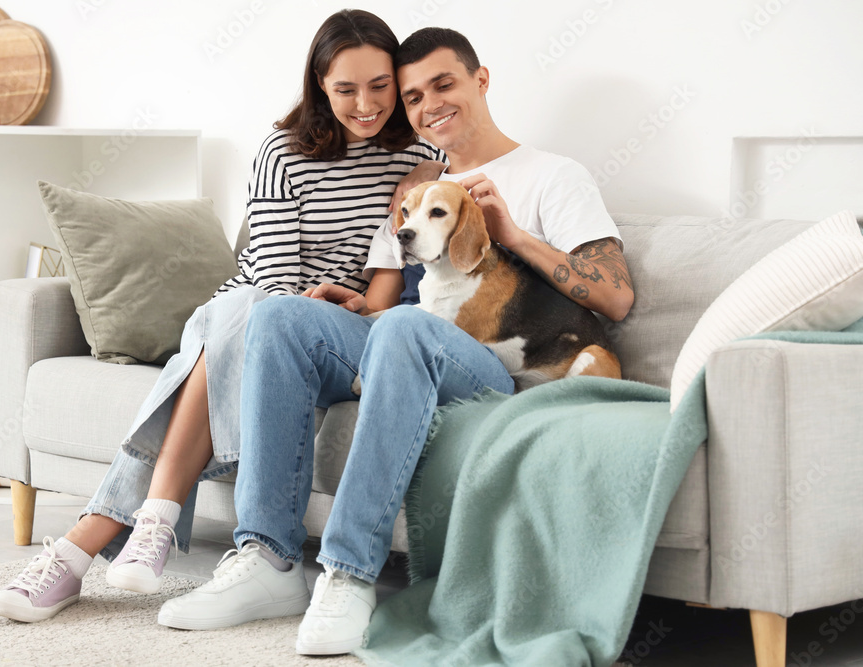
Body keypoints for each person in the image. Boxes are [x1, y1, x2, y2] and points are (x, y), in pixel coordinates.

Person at [153, 27, 635, 656]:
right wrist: (350, 306)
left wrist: (512, 234)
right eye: (412, 97)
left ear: (480, 80)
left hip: (489, 366)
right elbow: (384, 306)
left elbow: (617, 297)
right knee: (276, 318)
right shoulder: (412, 187)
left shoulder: (552, 175)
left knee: (410, 326)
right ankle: (267, 559)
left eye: (444, 84)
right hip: (406, 340)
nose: (429, 104)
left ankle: (349, 572)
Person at [0, 9, 446, 624]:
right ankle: (132, 530)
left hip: (336, 330)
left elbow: (428, 232)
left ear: (397, 79)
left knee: (227, 336)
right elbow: (275, 284)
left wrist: (430, 170)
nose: (366, 104)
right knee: (247, 312)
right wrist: (298, 306)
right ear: (318, 85)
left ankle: (101, 539)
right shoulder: (283, 151)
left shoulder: (422, 153)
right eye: (345, 89)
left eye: (380, 86)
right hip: (255, 309)